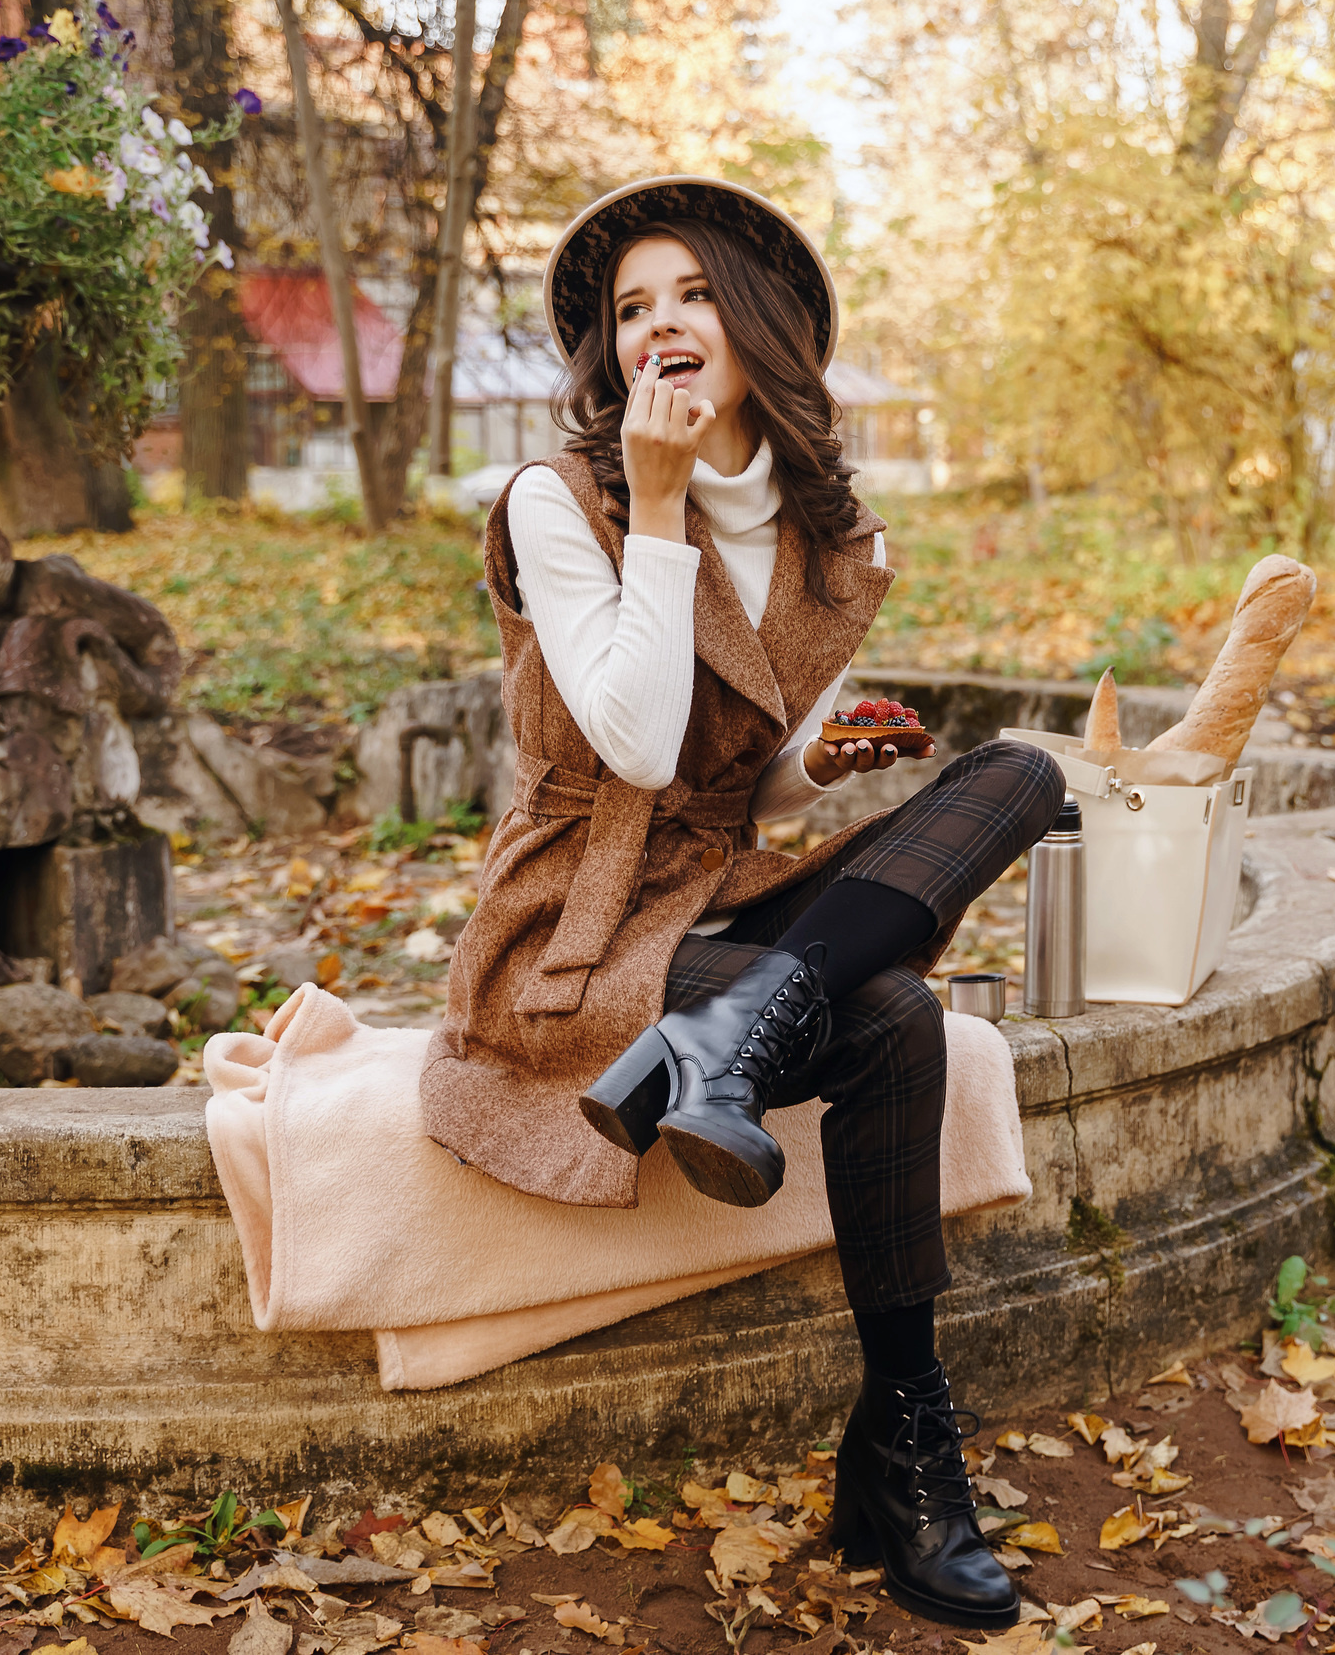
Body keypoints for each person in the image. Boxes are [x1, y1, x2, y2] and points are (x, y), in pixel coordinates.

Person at [417, 177, 1063, 1629]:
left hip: (722, 894)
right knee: (894, 1020)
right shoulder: (557, 500)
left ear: (758, 319)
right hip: (576, 918)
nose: (656, 327)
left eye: (687, 295)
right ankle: (909, 1455)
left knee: (1022, 771)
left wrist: (814, 764)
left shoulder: (843, 548)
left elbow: (736, 785)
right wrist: (654, 505)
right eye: (628, 311)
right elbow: (636, 747)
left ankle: (741, 1042)